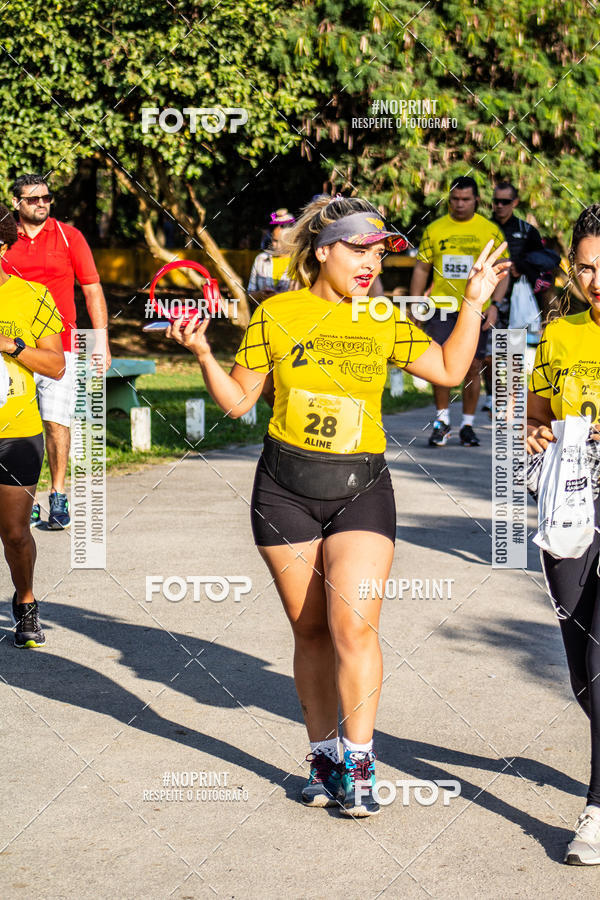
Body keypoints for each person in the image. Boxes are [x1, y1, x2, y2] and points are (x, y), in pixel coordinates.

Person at [167, 195, 509, 816]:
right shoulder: (277, 313)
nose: (371, 262)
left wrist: (474, 302)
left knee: (354, 626)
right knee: (312, 630)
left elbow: (452, 369)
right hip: (284, 489)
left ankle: (360, 760)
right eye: (358, 248)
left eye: (379, 252)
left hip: (362, 489)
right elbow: (241, 404)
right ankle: (322, 758)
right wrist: (201, 354)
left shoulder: (382, 314)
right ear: (322, 251)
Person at [527, 203, 600, 865]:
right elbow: (537, 411)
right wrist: (537, 430)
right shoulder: (561, 336)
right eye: (587, 267)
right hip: (570, 501)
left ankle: (597, 814)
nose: (597, 279)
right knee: (581, 674)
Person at [2, 174, 111, 530]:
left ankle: (58, 493)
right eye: (33, 199)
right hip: (10, 345)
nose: (42, 204)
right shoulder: (5, 239)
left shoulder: (69, 237)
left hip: (59, 347)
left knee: (55, 420)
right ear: (17, 203)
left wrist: (101, 340)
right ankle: (24, 495)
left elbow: (92, 289)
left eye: (47, 198)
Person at [0, 204, 65, 647]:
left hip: (16, 432)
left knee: (15, 532)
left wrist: (13, 344)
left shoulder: (32, 296)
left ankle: (25, 602)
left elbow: (57, 365)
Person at [410, 176, 508, 447]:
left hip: (476, 308)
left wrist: (496, 306)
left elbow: (503, 272)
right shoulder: (435, 229)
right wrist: (417, 303)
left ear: (476, 199)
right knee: (439, 363)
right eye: (454, 199)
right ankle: (442, 422)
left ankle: (467, 425)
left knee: (473, 367)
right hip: (442, 307)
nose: (460, 204)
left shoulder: (489, 230)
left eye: (465, 199)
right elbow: (421, 268)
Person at [481, 181, 547, 413]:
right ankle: (491, 395)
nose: (499, 206)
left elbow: (546, 261)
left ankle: (513, 400)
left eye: (505, 202)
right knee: (488, 355)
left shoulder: (527, 230)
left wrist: (521, 266)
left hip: (516, 301)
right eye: (496, 201)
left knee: (512, 353)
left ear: (515, 203)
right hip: (487, 299)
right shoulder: (484, 226)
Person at [247, 208, 297, 300]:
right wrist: (260, 294)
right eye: (274, 240)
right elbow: (250, 294)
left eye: (282, 241)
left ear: (291, 239)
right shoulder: (261, 259)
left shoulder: (299, 262)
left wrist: (278, 297)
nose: (277, 245)